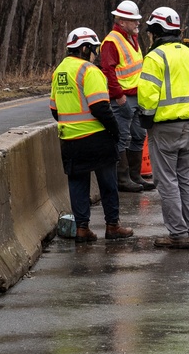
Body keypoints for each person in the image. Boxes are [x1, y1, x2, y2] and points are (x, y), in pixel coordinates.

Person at [50, 28, 134, 243]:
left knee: (77, 183)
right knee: (108, 183)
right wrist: (115, 131)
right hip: (96, 137)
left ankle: (82, 229)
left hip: (69, 139)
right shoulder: (89, 71)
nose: (95, 53)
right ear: (85, 48)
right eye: (93, 49)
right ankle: (112, 226)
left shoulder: (59, 71)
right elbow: (100, 108)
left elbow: (54, 109)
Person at [136, 7, 189, 249]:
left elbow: (147, 95)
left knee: (167, 181)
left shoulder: (155, 58)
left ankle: (177, 234)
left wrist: (145, 119)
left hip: (165, 127)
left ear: (156, 32)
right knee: (187, 177)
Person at [100, 0, 153, 193]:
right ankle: (122, 179)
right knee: (122, 136)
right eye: (133, 20)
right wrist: (118, 95)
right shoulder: (112, 41)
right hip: (122, 98)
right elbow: (108, 71)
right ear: (121, 21)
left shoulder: (132, 38)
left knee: (138, 135)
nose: (137, 23)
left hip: (137, 96)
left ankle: (135, 175)